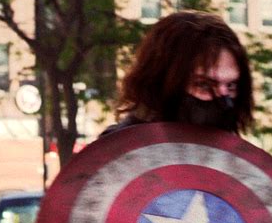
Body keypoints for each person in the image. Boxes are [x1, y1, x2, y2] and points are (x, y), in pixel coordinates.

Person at [102, 10, 254, 136]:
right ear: (163, 80)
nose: (223, 98)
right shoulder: (116, 147)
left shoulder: (234, 159)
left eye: (231, 85)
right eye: (203, 85)